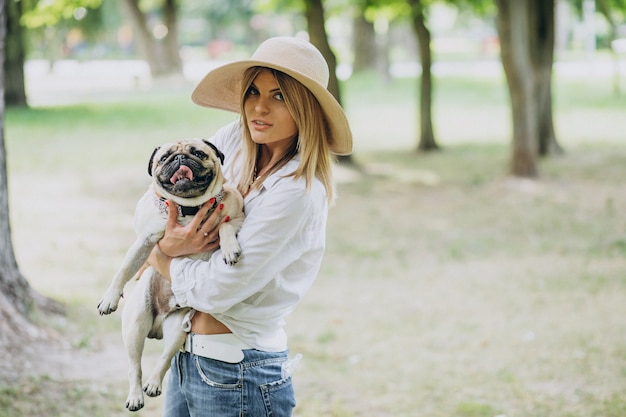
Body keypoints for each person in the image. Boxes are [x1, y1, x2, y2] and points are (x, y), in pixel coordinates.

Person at [147, 36, 353, 417]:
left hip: (237, 372)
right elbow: (153, 199)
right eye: (253, 91)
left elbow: (218, 290)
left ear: (305, 108)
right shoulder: (235, 142)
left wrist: (162, 255)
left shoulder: (298, 192)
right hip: (181, 355)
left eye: (279, 96)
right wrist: (167, 242)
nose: (259, 107)